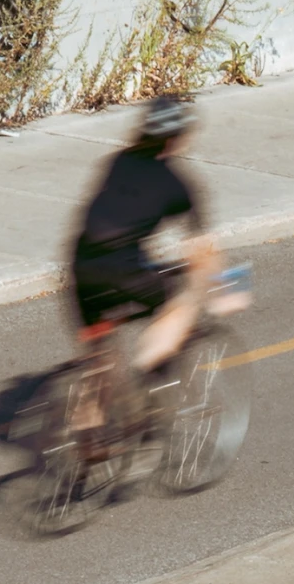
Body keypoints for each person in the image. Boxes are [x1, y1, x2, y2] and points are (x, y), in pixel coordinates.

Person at [68, 97, 220, 460]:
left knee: (99, 349)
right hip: (122, 268)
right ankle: (146, 370)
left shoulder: (116, 161)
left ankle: (89, 434)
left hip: (80, 264)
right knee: (180, 302)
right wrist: (219, 289)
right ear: (178, 138)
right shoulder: (178, 185)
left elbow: (113, 217)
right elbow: (202, 253)